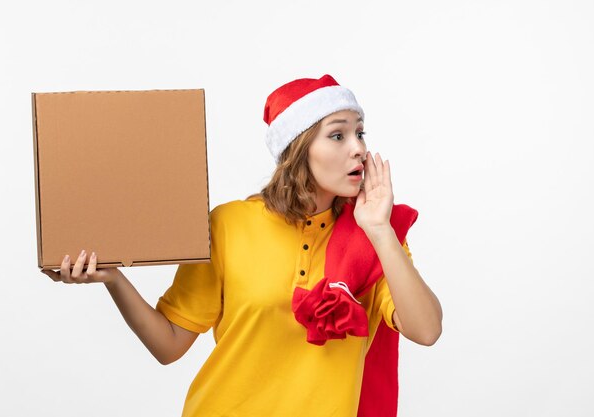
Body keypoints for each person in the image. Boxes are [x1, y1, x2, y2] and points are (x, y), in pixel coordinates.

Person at [42, 74, 443, 417]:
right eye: (337, 135)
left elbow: (426, 331)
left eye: (360, 132)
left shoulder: (375, 239)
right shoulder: (229, 224)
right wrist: (113, 278)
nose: (357, 147)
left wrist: (379, 230)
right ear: (298, 149)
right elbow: (168, 345)